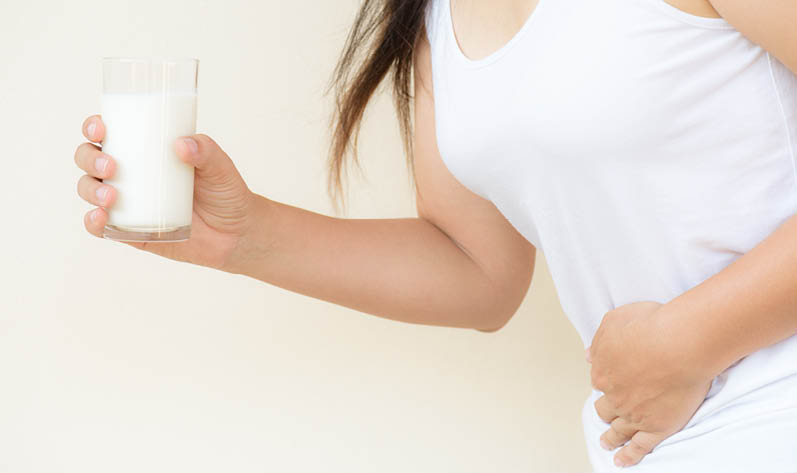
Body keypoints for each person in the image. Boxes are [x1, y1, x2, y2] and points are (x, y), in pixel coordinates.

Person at [74, 0, 797, 471]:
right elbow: (478, 272)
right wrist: (243, 234)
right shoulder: (437, 19)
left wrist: (690, 338)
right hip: (653, 444)